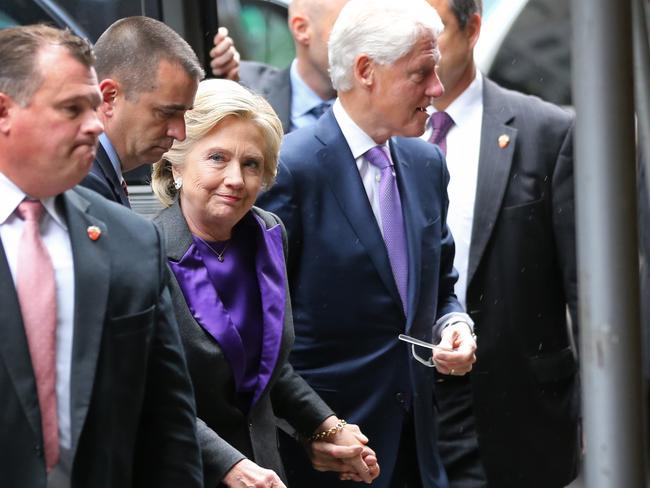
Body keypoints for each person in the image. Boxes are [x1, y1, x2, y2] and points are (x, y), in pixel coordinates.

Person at [256, 0, 478, 486]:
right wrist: (309, 431)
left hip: (418, 450)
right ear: (365, 71)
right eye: (422, 74)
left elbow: (440, 286)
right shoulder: (291, 168)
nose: (437, 91)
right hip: (328, 457)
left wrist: (454, 325)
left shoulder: (425, 164)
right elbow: (264, 331)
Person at [151, 78, 380, 488]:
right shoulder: (146, 252)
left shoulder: (269, 234)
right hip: (188, 471)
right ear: (177, 162)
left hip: (267, 472)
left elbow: (267, 369)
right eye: (217, 158)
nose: (236, 179)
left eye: (251, 163)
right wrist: (227, 465)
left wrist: (327, 425)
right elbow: (152, 395)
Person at [0, 25, 202, 487]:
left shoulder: (130, 241)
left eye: (94, 107)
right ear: (3, 112)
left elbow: (167, 424)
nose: (95, 124)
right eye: (72, 108)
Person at [423, 1, 579, 487]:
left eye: (436, 32)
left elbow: (584, 285)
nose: (422, 50)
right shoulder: (382, 133)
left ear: (473, 30)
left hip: (515, 401)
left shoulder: (546, 131)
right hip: (410, 395)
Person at [79, 16, 204, 207]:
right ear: (109, 97)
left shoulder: (93, 175)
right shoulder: (82, 182)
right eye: (166, 113)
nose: (180, 133)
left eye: (184, 113)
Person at [228, 0, 347, 133]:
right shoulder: (243, 87)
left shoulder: (369, 107)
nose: (359, 40)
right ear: (301, 29)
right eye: (345, 29)